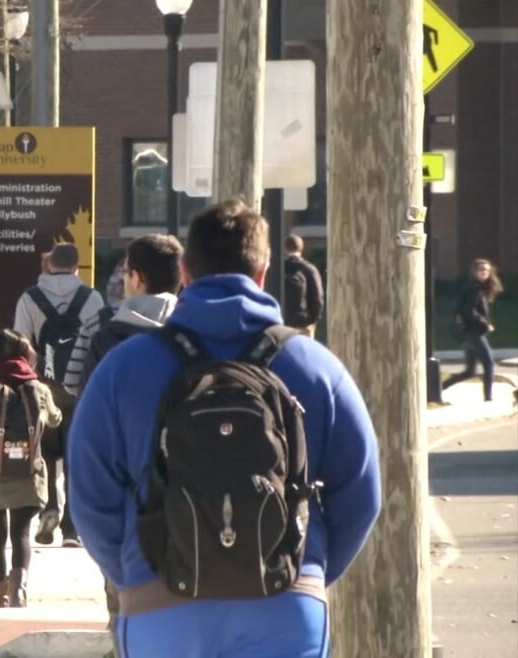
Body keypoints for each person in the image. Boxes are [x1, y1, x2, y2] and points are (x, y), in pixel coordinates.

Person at [69, 199, 381, 657]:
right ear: (263, 271)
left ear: (185, 270)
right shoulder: (316, 368)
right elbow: (361, 492)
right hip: (286, 604)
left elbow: (88, 494)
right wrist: (309, 567)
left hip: (162, 606)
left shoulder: (124, 367)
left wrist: (136, 570)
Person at [69, 234, 182, 641]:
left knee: (127, 626)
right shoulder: (196, 340)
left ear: (136, 277)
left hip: (128, 513)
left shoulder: (107, 340)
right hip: (194, 510)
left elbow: (88, 435)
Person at [13, 242, 104, 547]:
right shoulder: (92, 298)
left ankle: (50, 507)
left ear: (49, 265)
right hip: (80, 389)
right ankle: (72, 527)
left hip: (44, 389)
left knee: (47, 455)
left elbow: (21, 343)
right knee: (75, 454)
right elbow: (98, 342)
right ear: (78, 267)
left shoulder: (29, 298)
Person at [0, 329, 62, 609]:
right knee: (21, 533)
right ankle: (19, 590)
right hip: (28, 473)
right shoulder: (38, 389)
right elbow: (56, 419)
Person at [66, 234, 183, 397]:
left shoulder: (99, 324)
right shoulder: (195, 326)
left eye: (127, 272)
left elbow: (73, 384)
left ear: (136, 278)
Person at [444, 258, 505, 402]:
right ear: (474, 272)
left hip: (470, 334)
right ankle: (488, 398)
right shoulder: (475, 289)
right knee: (489, 364)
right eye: (481, 269)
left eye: (486, 270)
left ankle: (438, 388)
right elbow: (469, 311)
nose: (484, 272)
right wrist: (486, 324)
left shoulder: (478, 288)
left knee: (470, 372)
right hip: (474, 334)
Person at [282, 234, 324, 338]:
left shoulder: (277, 268)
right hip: (302, 325)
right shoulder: (309, 269)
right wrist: (311, 321)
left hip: (280, 327)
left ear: (284, 248)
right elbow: (318, 299)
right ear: (301, 248)